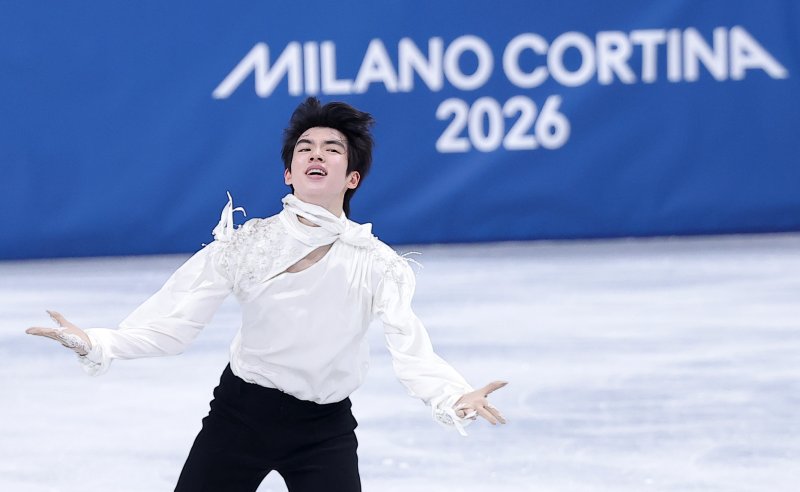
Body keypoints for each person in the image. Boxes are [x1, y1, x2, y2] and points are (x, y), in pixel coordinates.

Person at [26, 97, 508, 492]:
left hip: (325, 430)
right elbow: (173, 325)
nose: (316, 154)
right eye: (305, 148)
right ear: (289, 174)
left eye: (332, 149)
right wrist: (99, 341)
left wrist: (451, 394)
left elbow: (410, 349)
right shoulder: (246, 244)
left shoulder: (377, 263)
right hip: (240, 418)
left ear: (352, 177)